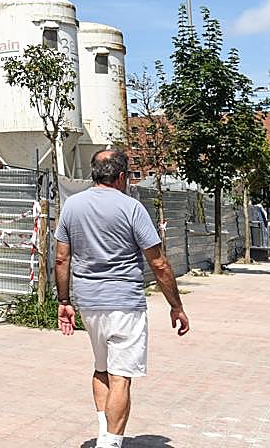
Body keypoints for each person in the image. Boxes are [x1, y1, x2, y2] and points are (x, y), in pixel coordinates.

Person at [55, 150, 190, 448]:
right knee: (121, 378)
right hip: (125, 304)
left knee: (101, 369)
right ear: (121, 177)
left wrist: (64, 301)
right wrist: (176, 307)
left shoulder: (72, 206)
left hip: (88, 302)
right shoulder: (132, 208)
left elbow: (62, 259)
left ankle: (105, 433)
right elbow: (159, 263)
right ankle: (111, 443)